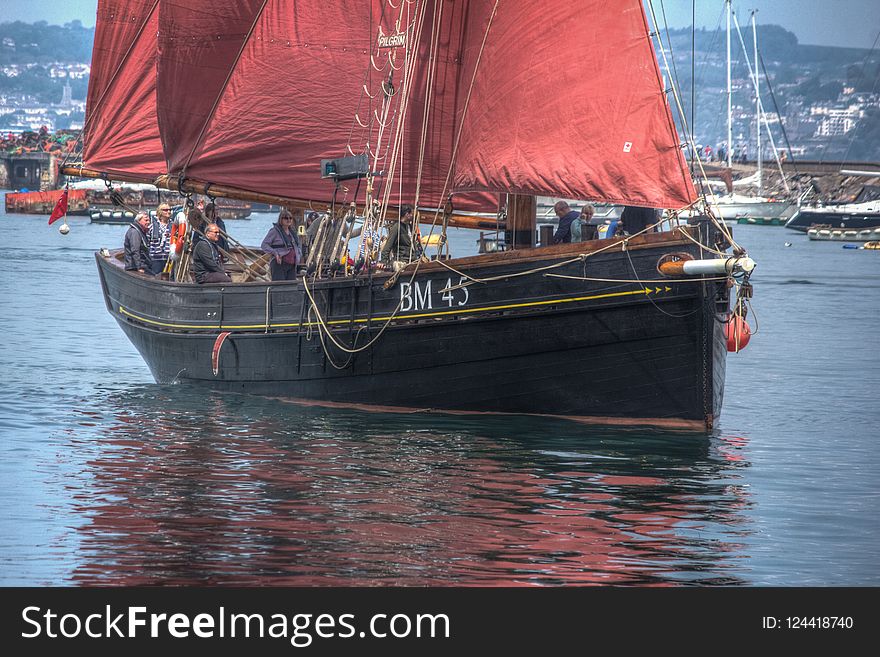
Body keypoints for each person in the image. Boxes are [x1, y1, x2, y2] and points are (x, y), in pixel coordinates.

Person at [261, 209, 302, 281]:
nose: (288, 220)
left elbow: (297, 245)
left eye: (290, 218)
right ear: (281, 219)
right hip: (279, 264)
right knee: (280, 286)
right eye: (286, 218)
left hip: (292, 265)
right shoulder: (274, 231)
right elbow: (264, 245)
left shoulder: (292, 232)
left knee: (291, 287)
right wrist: (275, 253)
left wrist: (299, 254)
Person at [148, 202, 173, 275]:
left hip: (169, 260)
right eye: (165, 210)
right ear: (160, 212)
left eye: (169, 210)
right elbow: (147, 243)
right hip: (155, 260)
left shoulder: (174, 226)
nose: (168, 211)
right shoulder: (152, 227)